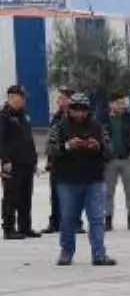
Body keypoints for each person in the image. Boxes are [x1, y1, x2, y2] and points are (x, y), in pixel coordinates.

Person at [45, 92, 115, 266]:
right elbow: (50, 149)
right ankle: (66, 252)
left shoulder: (97, 126)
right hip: (67, 180)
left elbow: (109, 150)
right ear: (70, 109)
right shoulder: (59, 126)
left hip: (94, 179)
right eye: (76, 110)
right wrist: (68, 146)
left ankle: (99, 254)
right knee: (68, 217)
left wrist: (97, 146)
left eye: (83, 110)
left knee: (97, 218)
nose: (79, 114)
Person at [101, 92, 130, 231]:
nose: (122, 106)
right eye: (119, 103)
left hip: (126, 159)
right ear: (111, 104)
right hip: (109, 161)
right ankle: (108, 220)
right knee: (108, 192)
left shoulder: (129, 119)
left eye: (123, 103)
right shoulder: (103, 119)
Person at [0, 84, 40, 239]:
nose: (20, 100)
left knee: (25, 197)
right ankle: (8, 229)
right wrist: (5, 160)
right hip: (11, 164)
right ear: (10, 98)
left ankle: (25, 227)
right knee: (11, 196)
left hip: (26, 162)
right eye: (17, 97)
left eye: (22, 98)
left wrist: (34, 159)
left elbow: (29, 140)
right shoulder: (4, 116)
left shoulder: (24, 116)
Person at [44, 88, 83, 235]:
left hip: (74, 162)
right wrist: (49, 160)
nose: (58, 101)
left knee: (75, 194)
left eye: (61, 98)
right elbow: (50, 142)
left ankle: (76, 223)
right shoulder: (56, 118)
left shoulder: (79, 119)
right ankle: (55, 222)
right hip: (57, 162)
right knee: (55, 195)